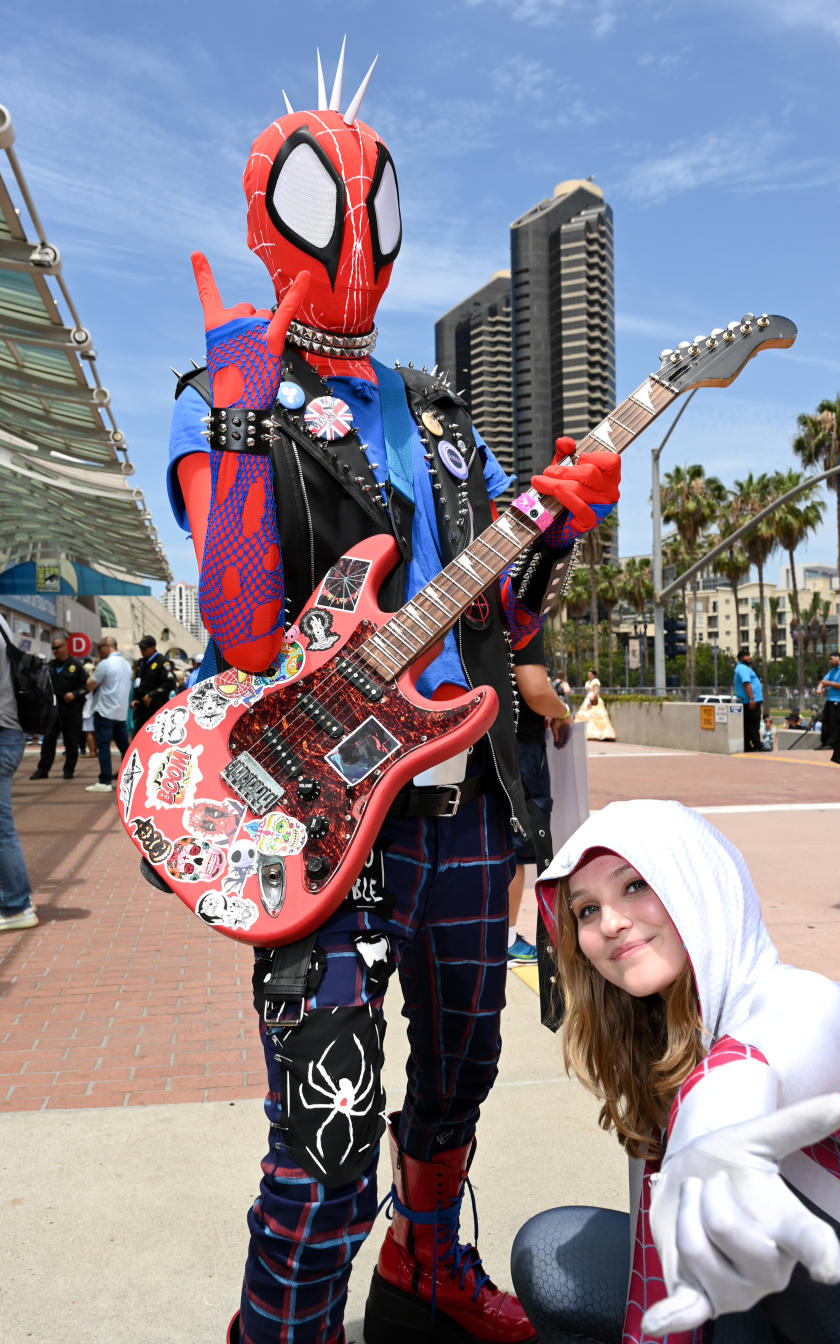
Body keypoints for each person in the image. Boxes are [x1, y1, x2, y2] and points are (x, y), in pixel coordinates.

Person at [164, 46, 620, 1344]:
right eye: (327, 199)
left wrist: (561, 530)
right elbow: (245, 630)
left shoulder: (440, 415)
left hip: (467, 801)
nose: (357, 230)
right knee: (323, 1143)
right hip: (321, 821)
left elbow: (505, 621)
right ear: (274, 215)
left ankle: (427, 1261)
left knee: (462, 1075)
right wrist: (250, 431)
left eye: (375, 199)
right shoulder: (231, 399)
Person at [511, 799, 840, 1344]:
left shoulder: (812, 1003)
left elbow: (763, 1060)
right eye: (585, 909)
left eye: (634, 885)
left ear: (695, 881)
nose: (610, 922)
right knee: (551, 1254)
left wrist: (710, 1125)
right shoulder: (663, 1045)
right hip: (772, 1310)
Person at [506, 629, 572, 964]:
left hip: (475, 737)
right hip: (519, 747)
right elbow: (535, 690)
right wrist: (562, 711)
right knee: (515, 849)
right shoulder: (521, 615)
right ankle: (504, 938)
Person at [0, 614, 36, 932]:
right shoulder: (2, 623)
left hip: (2, 734)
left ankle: (15, 905)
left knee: (2, 829)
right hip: (10, 733)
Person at [29, 628, 87, 780]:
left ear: (66, 647)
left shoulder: (77, 666)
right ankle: (43, 770)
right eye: (53, 648)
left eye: (58, 647)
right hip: (53, 709)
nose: (55, 651)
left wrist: (74, 695)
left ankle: (69, 770)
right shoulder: (49, 666)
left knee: (71, 740)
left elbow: (87, 686)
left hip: (71, 709)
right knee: (48, 741)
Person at [84, 636, 132, 794]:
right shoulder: (126, 665)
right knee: (124, 747)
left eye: (99, 647)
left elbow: (90, 685)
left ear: (107, 647)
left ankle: (104, 780)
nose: (98, 651)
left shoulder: (105, 664)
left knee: (104, 746)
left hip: (105, 710)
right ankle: (132, 778)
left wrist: (95, 670)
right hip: (120, 712)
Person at [131, 635, 178, 734]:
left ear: (153, 647)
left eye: (144, 648)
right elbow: (137, 682)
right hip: (141, 708)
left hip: (156, 707)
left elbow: (170, 683)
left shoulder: (162, 662)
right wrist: (135, 698)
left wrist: (151, 695)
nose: (142, 650)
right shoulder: (141, 662)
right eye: (140, 648)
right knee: (138, 737)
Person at [814, 650, 840, 750]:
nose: (830, 661)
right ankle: (824, 742)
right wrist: (819, 688)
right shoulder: (832, 670)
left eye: (831, 659)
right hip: (830, 699)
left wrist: (828, 683)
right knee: (826, 721)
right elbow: (823, 681)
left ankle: (832, 743)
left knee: (835, 722)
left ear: (838, 657)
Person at [733, 649, 763, 751]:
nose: (749, 657)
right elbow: (746, 683)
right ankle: (756, 745)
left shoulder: (743, 668)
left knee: (748, 725)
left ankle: (748, 746)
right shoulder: (742, 668)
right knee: (753, 724)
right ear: (740, 658)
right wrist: (751, 699)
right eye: (746, 656)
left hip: (747, 701)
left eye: (749, 655)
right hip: (749, 702)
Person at [575, 667, 616, 741]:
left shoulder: (595, 681)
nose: (589, 676)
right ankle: (586, 733)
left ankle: (599, 734)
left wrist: (591, 699)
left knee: (595, 716)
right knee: (585, 716)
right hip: (587, 698)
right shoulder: (587, 682)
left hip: (594, 699)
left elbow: (596, 691)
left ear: (593, 675)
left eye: (590, 674)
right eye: (588, 674)